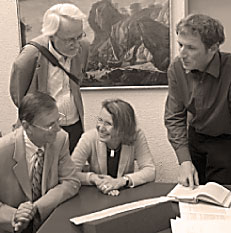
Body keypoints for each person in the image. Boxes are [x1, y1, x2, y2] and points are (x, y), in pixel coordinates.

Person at [164, 13, 231, 190]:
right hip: (195, 138)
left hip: (225, 144)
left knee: (222, 200)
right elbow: (174, 117)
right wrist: (184, 161)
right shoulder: (176, 68)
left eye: (191, 48)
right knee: (192, 195)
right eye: (180, 45)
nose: (182, 54)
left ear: (213, 48)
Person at [10, 3, 90, 154]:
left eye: (79, 36)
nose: (76, 44)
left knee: (70, 171)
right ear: (51, 35)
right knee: (43, 173)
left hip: (74, 125)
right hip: (42, 129)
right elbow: (19, 96)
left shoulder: (83, 47)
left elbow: (79, 78)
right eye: (69, 39)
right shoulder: (29, 56)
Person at [0, 92, 80, 233]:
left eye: (58, 120)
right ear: (27, 126)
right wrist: (16, 216)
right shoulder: (3, 150)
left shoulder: (60, 139)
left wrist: (36, 207)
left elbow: (71, 181)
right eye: (50, 125)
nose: (58, 129)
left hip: (49, 222)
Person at [72, 99, 155, 196]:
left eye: (108, 124)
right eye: (100, 120)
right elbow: (70, 173)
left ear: (123, 128)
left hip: (125, 195)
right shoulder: (88, 138)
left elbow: (150, 171)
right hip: (96, 195)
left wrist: (122, 181)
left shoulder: (136, 136)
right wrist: (93, 178)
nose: (101, 127)